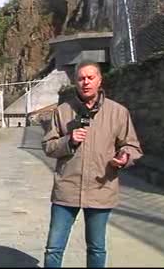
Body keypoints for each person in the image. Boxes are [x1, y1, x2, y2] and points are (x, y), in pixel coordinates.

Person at [41, 60, 143, 268]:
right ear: (75, 82)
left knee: (96, 248)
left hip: (101, 189)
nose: (85, 82)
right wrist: (68, 140)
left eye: (90, 77)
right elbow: (48, 146)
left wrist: (124, 157)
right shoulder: (62, 111)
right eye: (81, 78)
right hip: (67, 189)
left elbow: (133, 147)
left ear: (99, 80)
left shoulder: (118, 112)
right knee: (53, 248)